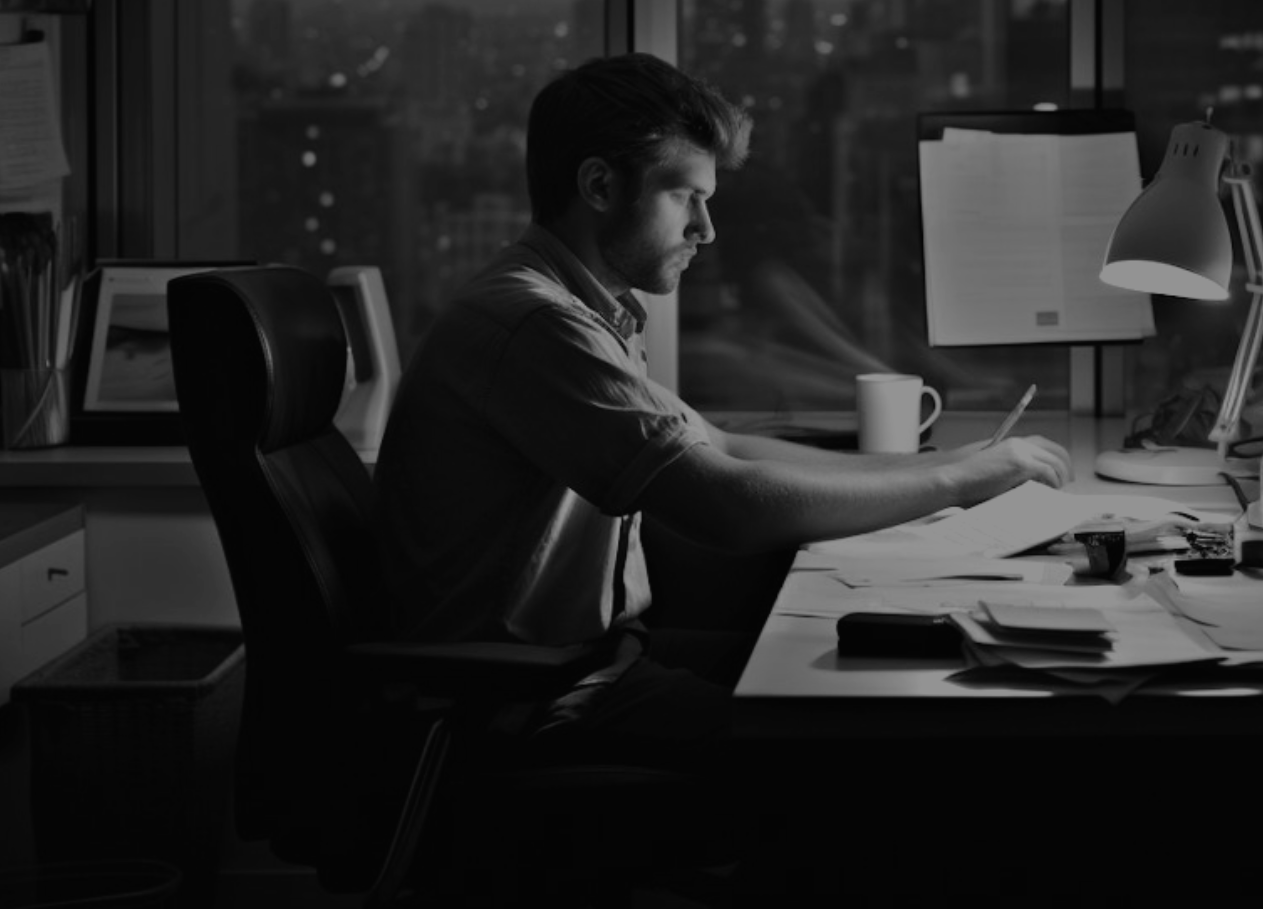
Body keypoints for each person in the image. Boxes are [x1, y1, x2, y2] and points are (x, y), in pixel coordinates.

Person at [373, 52, 1070, 770]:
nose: (706, 230)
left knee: (876, 670)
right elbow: (726, 504)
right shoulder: (536, 325)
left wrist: (949, 466)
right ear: (600, 185)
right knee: (870, 743)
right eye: (686, 198)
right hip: (532, 701)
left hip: (595, 663)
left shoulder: (581, 309)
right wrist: (957, 484)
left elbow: (723, 446)